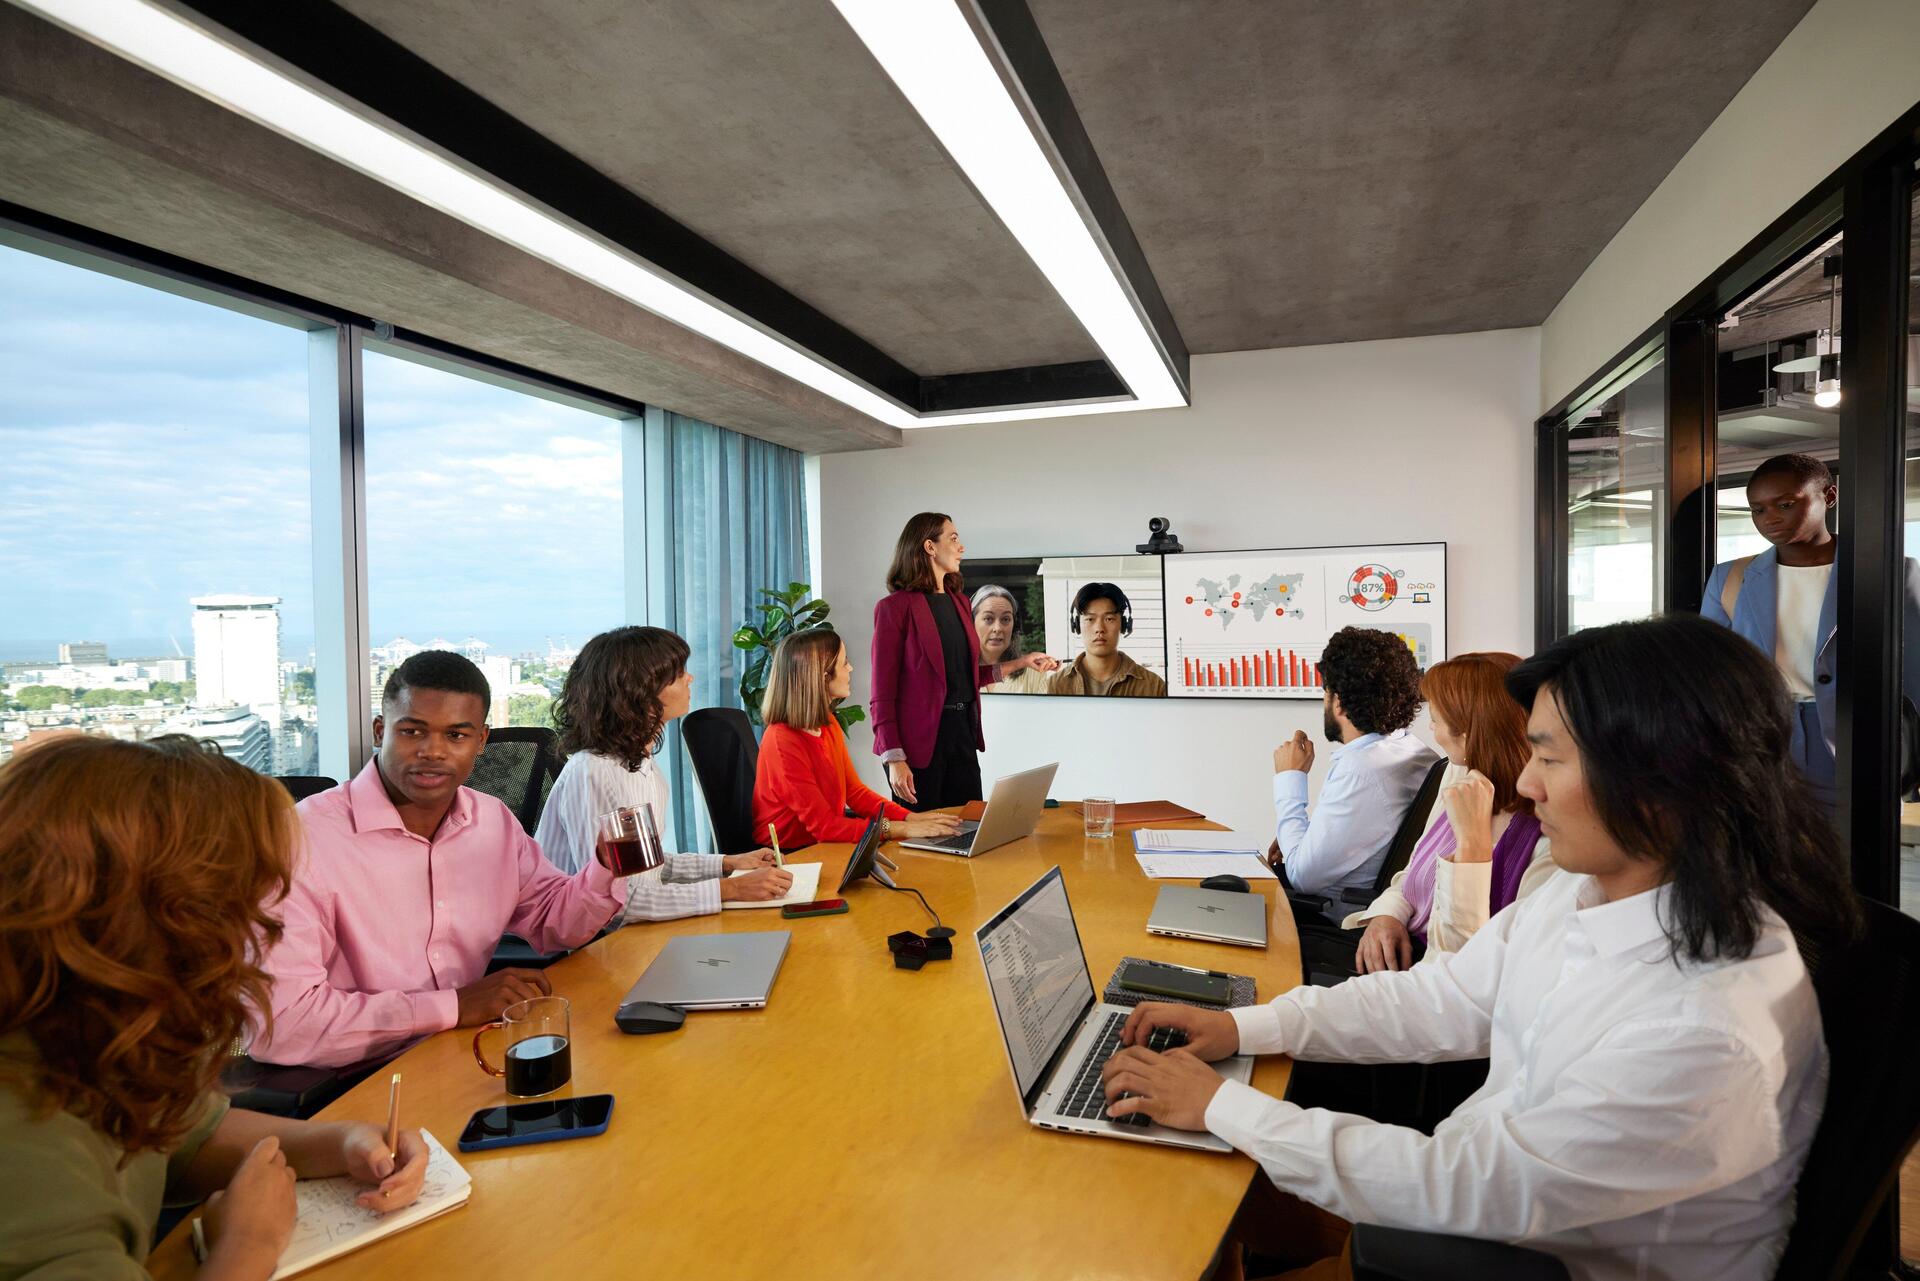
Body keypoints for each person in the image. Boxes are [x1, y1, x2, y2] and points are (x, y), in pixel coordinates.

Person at [1102, 614, 1859, 1280]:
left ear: (1661, 786)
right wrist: (1241, 1026)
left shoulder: (1706, 1028)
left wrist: (1222, 1104)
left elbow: (1462, 1187)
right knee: (1192, 1191)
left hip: (1515, 1257)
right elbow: (1442, 997)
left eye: (1550, 758)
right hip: (1471, 1223)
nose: (1524, 783)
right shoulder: (1587, 890)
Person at [0, 735, 429, 1280]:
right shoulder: (23, 1147)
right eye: (243, 899)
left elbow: (181, 1138)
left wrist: (340, 1142)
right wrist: (246, 1247)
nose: (263, 927)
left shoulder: (87, 1032)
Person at [251, 651, 629, 1069]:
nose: (432, 751)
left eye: (456, 735)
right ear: (380, 731)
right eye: (412, 731)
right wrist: (452, 1006)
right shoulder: (300, 840)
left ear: (481, 741)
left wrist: (605, 865)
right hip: (353, 1079)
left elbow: (555, 922)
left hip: (464, 1053)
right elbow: (282, 1024)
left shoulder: (492, 821)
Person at [1702, 451, 1920, 806]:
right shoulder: (1729, 577)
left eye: (1785, 504)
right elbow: (1709, 673)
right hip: (1760, 734)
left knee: (1847, 836)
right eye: (1758, 510)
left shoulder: (1890, 572)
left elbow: (1913, 669)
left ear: (1829, 496)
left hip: (1857, 732)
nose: (1770, 519)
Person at [537, 626, 791, 918]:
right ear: (639, 690)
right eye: (678, 673)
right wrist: (730, 889)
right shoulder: (594, 773)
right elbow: (612, 904)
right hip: (590, 938)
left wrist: (728, 863)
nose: (690, 678)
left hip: (628, 929)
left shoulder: (642, 765)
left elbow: (645, 866)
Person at [1344, 652, 1554, 973]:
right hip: (1403, 954)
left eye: (1435, 720)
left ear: (1468, 733)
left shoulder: (1548, 840)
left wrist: (1472, 846)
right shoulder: (1461, 773)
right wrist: (1387, 914)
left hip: (1437, 978)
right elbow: (1415, 869)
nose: (1431, 729)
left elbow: (1463, 972)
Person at [870, 512, 1057, 810]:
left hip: (962, 735)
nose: (961, 547)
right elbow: (882, 693)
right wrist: (893, 757)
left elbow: (966, 675)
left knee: (969, 825)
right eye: (954, 538)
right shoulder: (894, 608)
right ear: (930, 547)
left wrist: (1022, 662)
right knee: (925, 832)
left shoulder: (959, 602)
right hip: (919, 747)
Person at [1268, 626, 1438, 919]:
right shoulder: (1414, 751)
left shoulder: (1361, 771)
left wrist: (1290, 777)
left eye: (1325, 692)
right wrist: (1297, 839)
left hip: (1327, 921)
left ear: (1338, 703)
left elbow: (1301, 877)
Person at [756, 629, 963, 848]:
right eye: (844, 663)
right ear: (823, 677)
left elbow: (854, 792)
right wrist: (899, 829)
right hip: (788, 855)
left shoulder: (827, 723)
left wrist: (910, 818)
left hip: (822, 845)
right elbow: (824, 827)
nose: (850, 668)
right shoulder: (781, 741)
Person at [1045, 582, 1167, 697]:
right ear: (1077, 625)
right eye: (1090, 619)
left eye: (1109, 619)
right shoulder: (1055, 685)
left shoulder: (1154, 686)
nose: (1099, 629)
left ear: (1124, 625)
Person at [972, 585, 1050, 694]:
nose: (997, 628)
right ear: (971, 623)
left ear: (1014, 627)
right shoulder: (956, 674)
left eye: (1005, 619)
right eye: (988, 619)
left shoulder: (1036, 674)